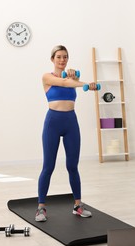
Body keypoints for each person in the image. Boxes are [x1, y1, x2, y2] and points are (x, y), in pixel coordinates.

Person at [35, 45, 97, 222]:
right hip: (53, 123)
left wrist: (77, 79)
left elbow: (70, 82)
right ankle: (41, 208)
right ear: (52, 59)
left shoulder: (72, 76)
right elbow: (63, 83)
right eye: (59, 57)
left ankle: (77, 205)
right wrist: (86, 84)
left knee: (72, 166)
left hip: (71, 122)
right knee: (48, 166)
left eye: (65, 57)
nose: (62, 60)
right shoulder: (47, 77)